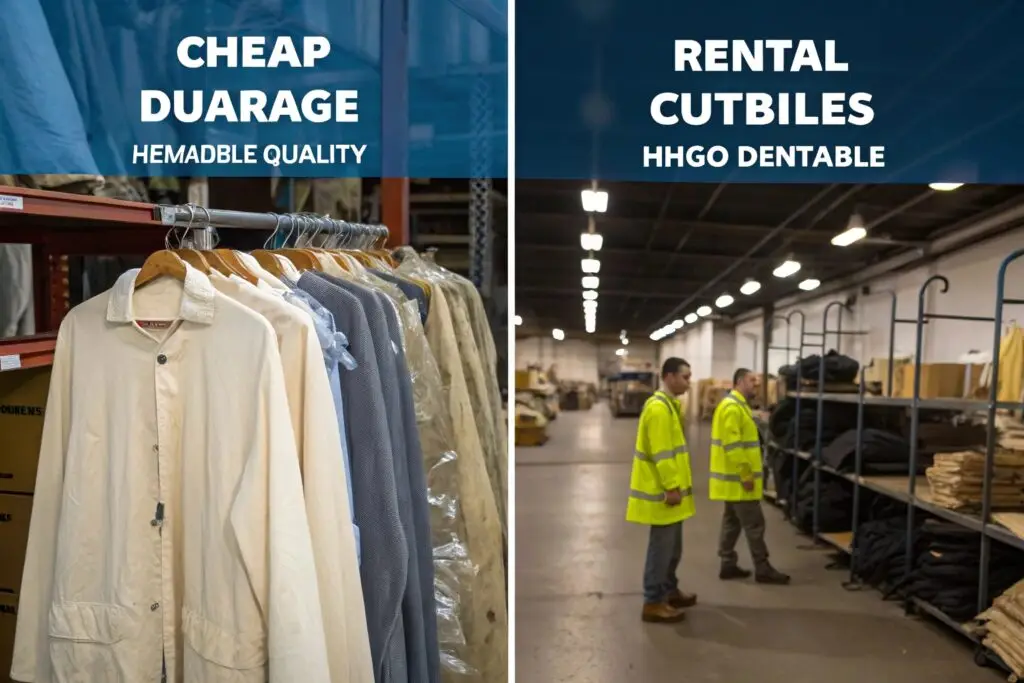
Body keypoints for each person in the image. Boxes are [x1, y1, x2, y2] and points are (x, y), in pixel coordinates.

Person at [626, 357, 697, 623]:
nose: (689, 382)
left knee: (673, 548)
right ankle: (653, 601)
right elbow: (662, 453)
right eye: (685, 377)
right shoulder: (658, 409)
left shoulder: (670, 406)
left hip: (671, 493)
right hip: (662, 493)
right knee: (662, 548)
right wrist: (671, 486)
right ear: (669, 377)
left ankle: (668, 589)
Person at [709, 368, 790, 585]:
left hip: (733, 482)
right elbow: (734, 446)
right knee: (755, 524)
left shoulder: (737, 407)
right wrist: (746, 474)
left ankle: (727, 564)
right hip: (739, 480)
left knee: (732, 522)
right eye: (752, 381)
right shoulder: (732, 408)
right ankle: (762, 568)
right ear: (740, 382)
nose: (756, 385)